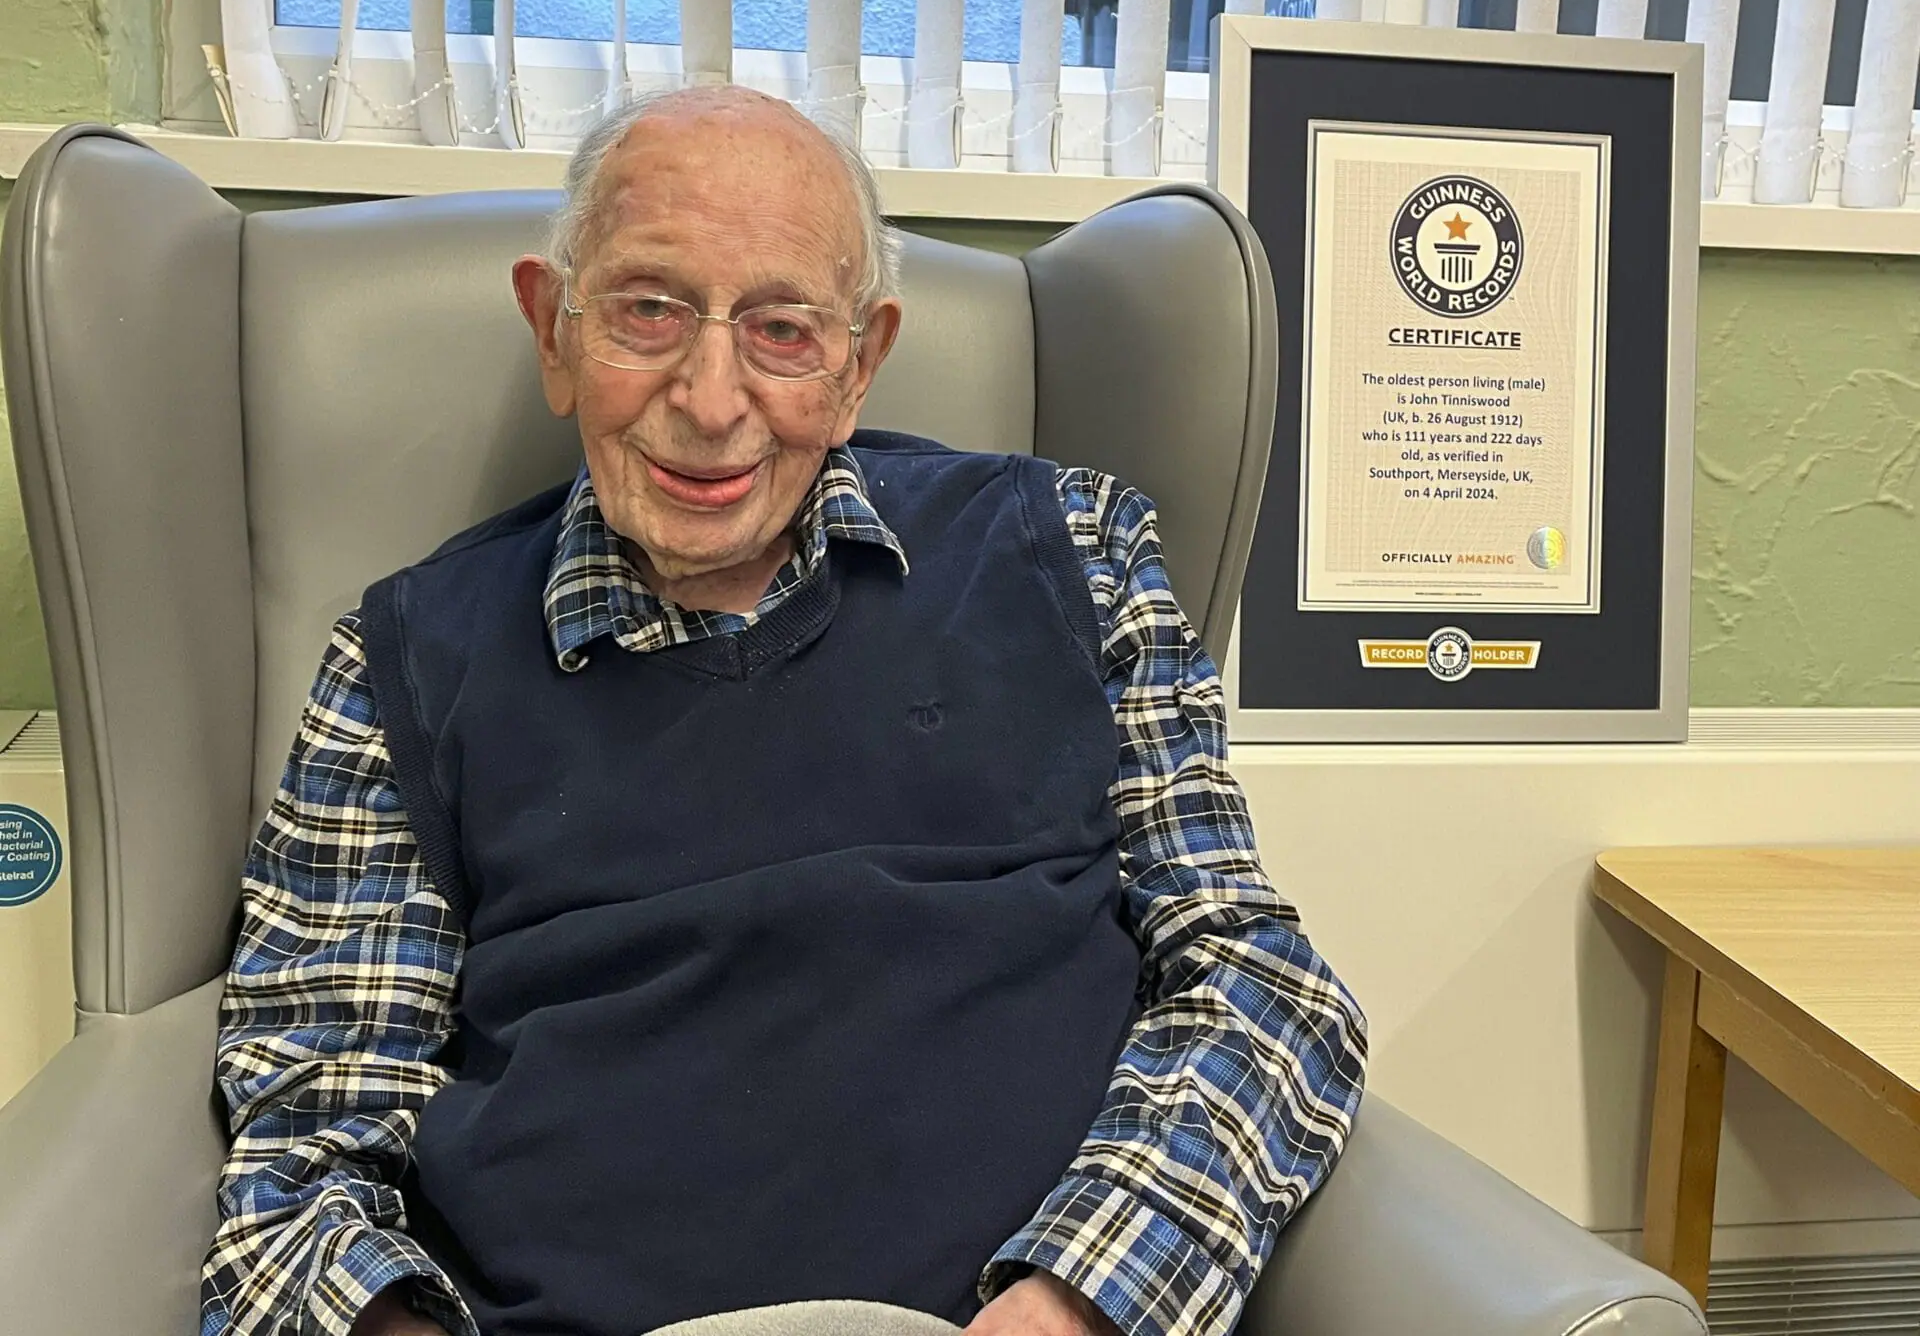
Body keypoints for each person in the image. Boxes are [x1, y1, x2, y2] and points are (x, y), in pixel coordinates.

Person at [200, 85, 1366, 1336]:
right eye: (647, 311)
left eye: (784, 331)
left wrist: (1076, 1301)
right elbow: (306, 1144)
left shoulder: (1075, 554)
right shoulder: (404, 662)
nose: (710, 400)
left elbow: (1258, 982)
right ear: (553, 331)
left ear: (860, 362)